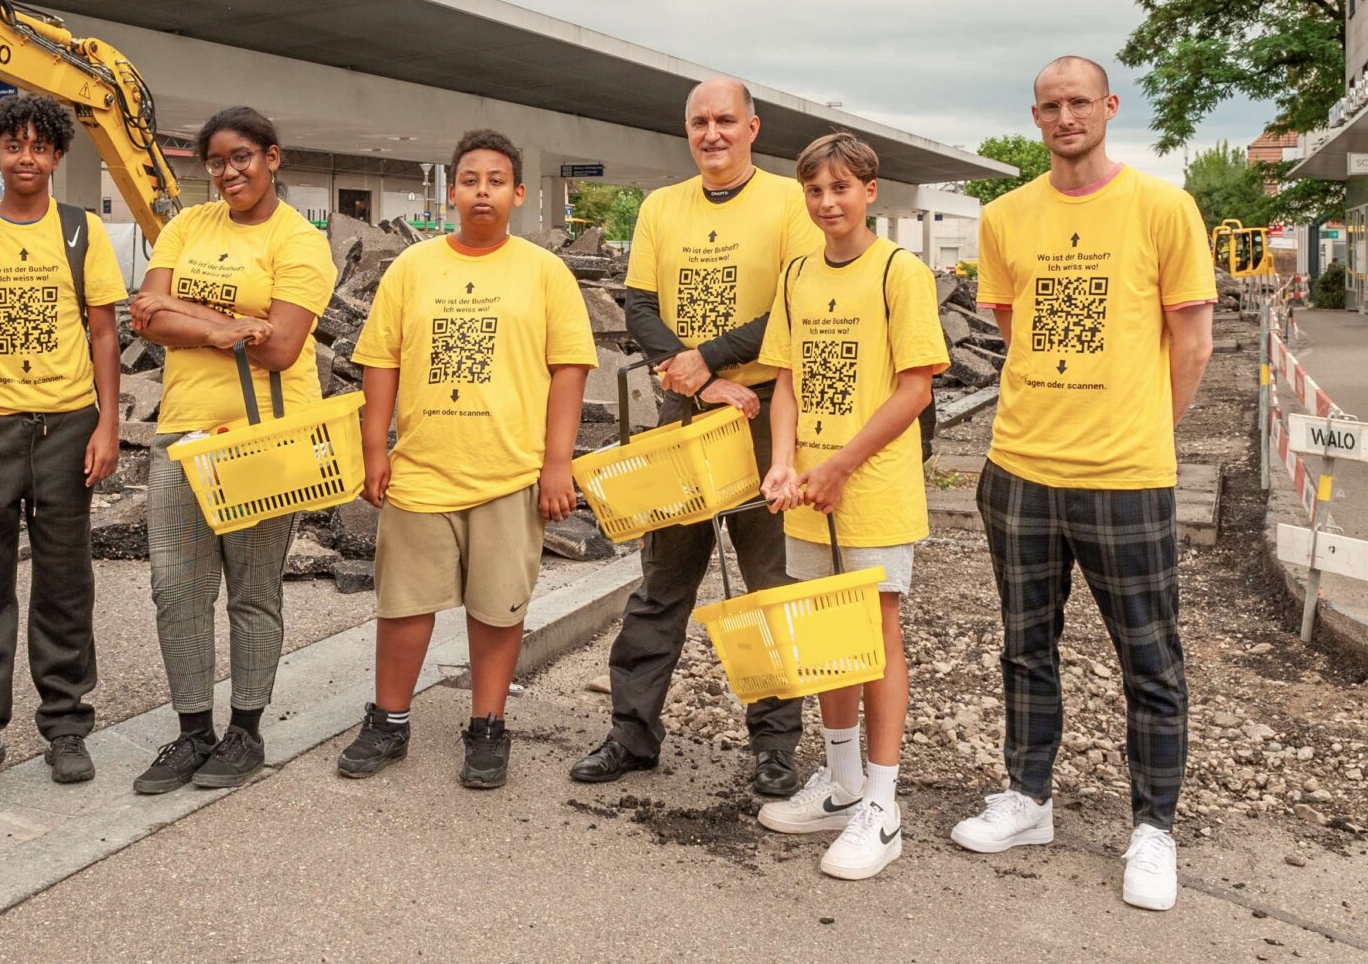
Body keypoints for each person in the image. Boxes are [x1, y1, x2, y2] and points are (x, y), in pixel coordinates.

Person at [950, 55, 1214, 912]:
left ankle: (1154, 827)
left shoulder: (1163, 208)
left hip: (1126, 476)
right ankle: (1028, 797)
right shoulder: (1006, 216)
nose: (1066, 116)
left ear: (1108, 106)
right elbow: (1012, 324)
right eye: (1050, 105)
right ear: (1035, 116)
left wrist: (1148, 437)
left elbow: (1193, 341)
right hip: (1020, 470)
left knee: (1150, 659)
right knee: (1026, 647)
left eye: (1080, 102)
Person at [571, 76, 820, 800]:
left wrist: (710, 359)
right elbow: (640, 304)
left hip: (762, 415)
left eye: (725, 120)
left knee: (770, 587)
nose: (711, 133)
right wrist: (704, 379)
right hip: (686, 415)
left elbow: (793, 305)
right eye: (698, 122)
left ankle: (775, 746)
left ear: (753, 126)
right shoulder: (661, 206)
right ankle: (631, 733)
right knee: (660, 586)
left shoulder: (787, 202)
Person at [336, 129, 596, 789]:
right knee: (402, 604)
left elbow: (569, 370)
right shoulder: (413, 269)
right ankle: (389, 720)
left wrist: (557, 462)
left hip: (508, 473)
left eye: (496, 179)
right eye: (471, 179)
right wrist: (376, 448)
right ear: (451, 191)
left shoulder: (544, 273)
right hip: (423, 467)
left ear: (517, 193)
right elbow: (380, 361)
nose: (483, 190)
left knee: (498, 606)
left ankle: (487, 726)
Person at [125, 107, 338, 793]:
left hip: (262, 437)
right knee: (175, 589)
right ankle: (193, 733)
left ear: (273, 157)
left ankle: (245, 730)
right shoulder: (187, 226)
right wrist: (223, 330)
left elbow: (279, 344)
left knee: (252, 589)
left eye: (242, 157)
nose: (228, 172)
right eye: (215, 161)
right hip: (183, 430)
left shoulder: (301, 241)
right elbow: (144, 313)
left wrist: (187, 320)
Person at [756, 133, 948, 880]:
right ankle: (838, 784)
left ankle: (882, 801)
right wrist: (783, 461)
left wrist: (840, 463)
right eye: (815, 190)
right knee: (829, 636)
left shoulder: (901, 273)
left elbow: (915, 388)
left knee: (876, 634)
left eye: (842, 187)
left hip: (871, 489)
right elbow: (786, 382)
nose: (828, 202)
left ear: (872, 190)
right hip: (809, 490)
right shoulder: (799, 273)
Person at [0, 96, 126, 789]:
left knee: (65, 582)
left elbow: (104, 332)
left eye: (40, 146)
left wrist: (108, 422)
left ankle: (66, 723)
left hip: (67, 426)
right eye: (14, 146)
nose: (27, 157)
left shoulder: (81, 232)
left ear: (58, 155)